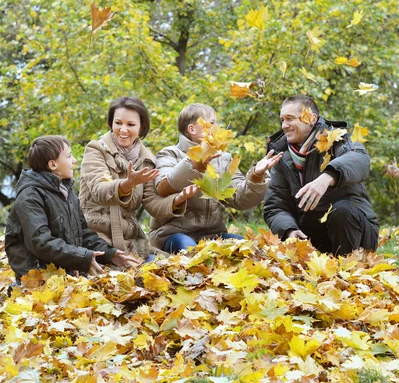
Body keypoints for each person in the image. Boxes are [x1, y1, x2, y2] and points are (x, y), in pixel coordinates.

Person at [149, 102, 282, 252]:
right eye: (212, 123)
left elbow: (239, 198)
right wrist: (195, 163)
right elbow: (164, 186)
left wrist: (256, 176)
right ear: (192, 129)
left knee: (248, 248)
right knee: (189, 249)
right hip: (173, 234)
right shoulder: (169, 154)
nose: (217, 128)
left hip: (212, 234)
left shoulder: (222, 159)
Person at [5, 135, 137, 283]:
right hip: (38, 283)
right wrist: (83, 257)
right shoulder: (30, 197)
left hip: (66, 278)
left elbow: (83, 233)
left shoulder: (66, 192)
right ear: (53, 165)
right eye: (69, 156)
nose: (74, 160)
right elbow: (41, 242)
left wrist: (109, 253)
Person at [263, 94, 379, 255]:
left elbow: (360, 159)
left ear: (311, 118)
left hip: (356, 234)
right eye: (282, 120)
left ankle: (348, 271)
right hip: (313, 237)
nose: (284, 125)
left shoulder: (336, 138)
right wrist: (289, 230)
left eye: (290, 118)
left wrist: (328, 176)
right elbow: (275, 207)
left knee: (341, 210)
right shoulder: (281, 155)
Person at [79, 96, 192, 260]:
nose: (123, 130)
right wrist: (127, 184)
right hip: (94, 237)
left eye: (130, 125)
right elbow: (99, 190)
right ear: (111, 123)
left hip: (130, 240)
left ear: (141, 127)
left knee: (168, 268)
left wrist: (178, 199)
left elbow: (152, 202)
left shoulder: (147, 161)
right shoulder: (95, 150)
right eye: (118, 123)